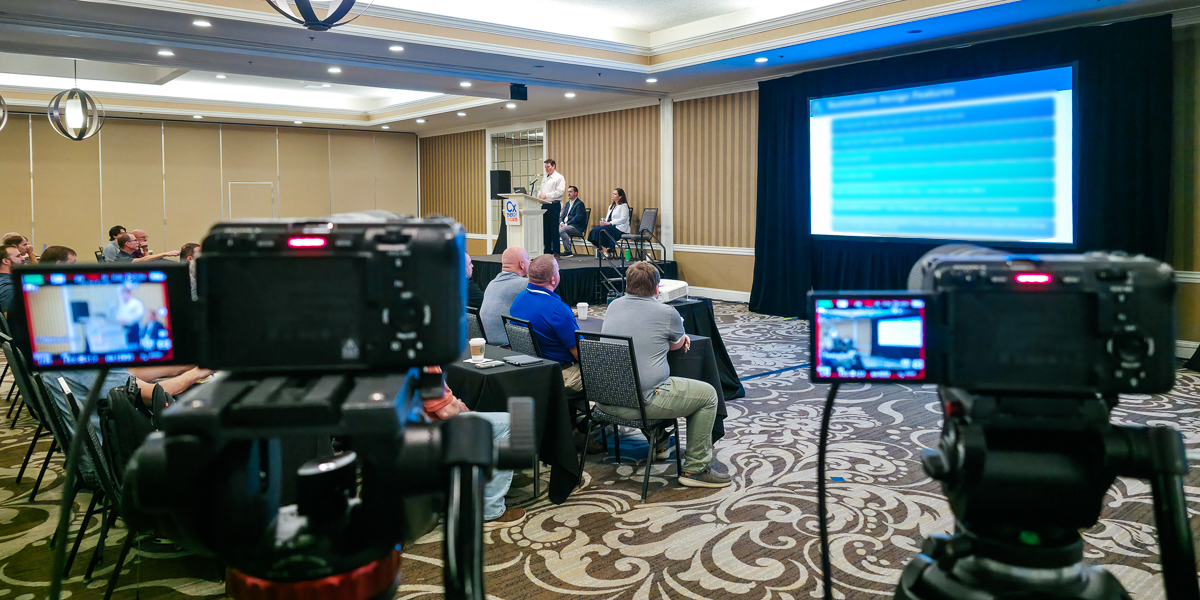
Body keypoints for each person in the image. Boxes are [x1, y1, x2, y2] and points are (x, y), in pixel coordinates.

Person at [600, 262, 731, 488]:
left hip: (605, 399)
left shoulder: (613, 306)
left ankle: (660, 442)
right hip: (641, 402)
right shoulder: (667, 312)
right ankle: (695, 469)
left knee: (649, 376)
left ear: (627, 285)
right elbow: (676, 343)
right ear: (655, 290)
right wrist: (680, 339)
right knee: (708, 395)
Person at [420, 366, 526, 527]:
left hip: (401, 430)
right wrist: (457, 405)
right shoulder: (425, 361)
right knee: (513, 423)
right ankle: (491, 510)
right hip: (431, 431)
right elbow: (447, 412)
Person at [509, 255, 582, 394]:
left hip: (530, 370)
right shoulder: (558, 310)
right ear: (553, 279)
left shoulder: (518, 300)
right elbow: (580, 354)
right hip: (560, 374)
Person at [479, 247, 529, 345]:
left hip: (486, 345)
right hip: (507, 347)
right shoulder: (524, 284)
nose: (530, 262)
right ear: (522, 264)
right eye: (528, 259)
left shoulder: (492, 283)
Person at [587, 188, 631, 258]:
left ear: (620, 197)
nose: (613, 195)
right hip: (610, 226)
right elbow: (608, 218)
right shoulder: (611, 206)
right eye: (613, 193)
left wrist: (609, 223)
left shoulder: (624, 206)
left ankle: (607, 251)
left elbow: (623, 219)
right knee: (595, 230)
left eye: (615, 194)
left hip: (619, 228)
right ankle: (605, 251)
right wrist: (604, 222)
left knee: (602, 231)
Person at [538, 158, 565, 256]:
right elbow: (541, 190)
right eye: (545, 167)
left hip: (554, 204)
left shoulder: (559, 177)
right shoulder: (545, 178)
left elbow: (560, 192)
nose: (546, 169)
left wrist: (546, 195)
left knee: (554, 229)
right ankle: (547, 251)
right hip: (545, 204)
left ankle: (556, 251)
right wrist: (540, 195)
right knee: (545, 229)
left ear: (554, 166)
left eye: (548, 167)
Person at [557, 186, 587, 257]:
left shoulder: (579, 204)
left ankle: (568, 251)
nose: (568, 193)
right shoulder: (567, 204)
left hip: (576, 227)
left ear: (576, 193)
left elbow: (577, 218)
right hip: (566, 225)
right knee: (553, 230)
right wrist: (561, 222)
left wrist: (566, 224)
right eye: (568, 192)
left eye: (570, 192)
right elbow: (563, 216)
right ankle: (554, 251)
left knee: (562, 230)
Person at [113, 233, 178, 263]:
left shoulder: (130, 255)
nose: (137, 242)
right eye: (135, 240)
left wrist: (145, 248)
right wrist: (166, 254)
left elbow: (147, 261)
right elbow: (144, 260)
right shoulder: (122, 259)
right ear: (127, 243)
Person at [0, 244, 27, 315]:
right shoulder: (9, 286)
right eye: (18, 256)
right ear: (6, 261)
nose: (23, 258)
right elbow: (10, 320)